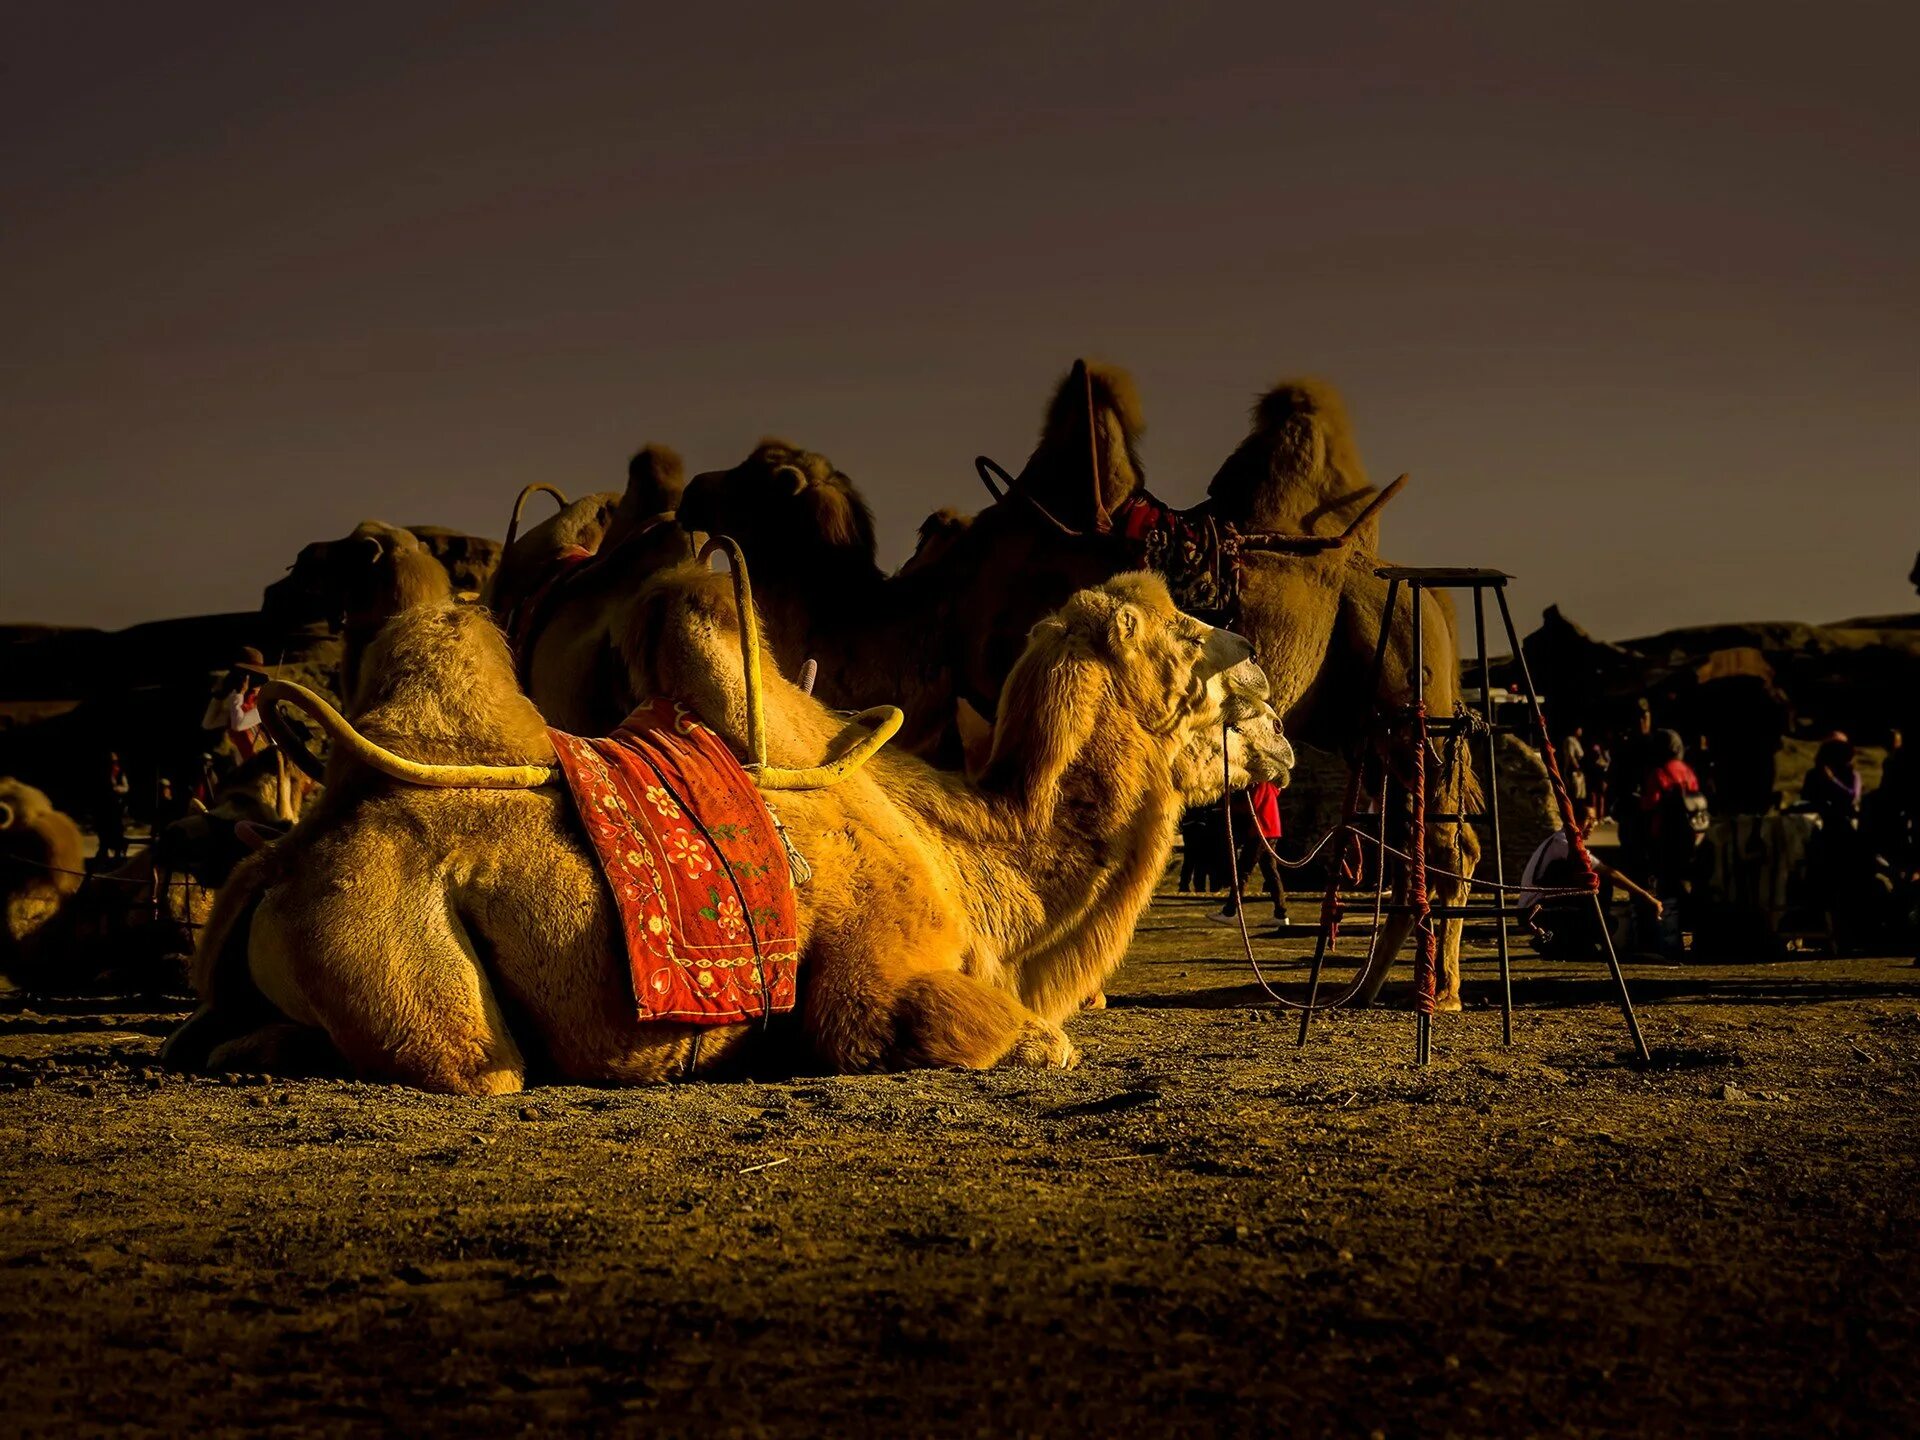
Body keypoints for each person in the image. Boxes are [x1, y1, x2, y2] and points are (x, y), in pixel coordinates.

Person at [1519, 801, 1662, 959]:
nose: (1592, 825)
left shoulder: (1566, 841)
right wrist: (1645, 896)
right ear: (1574, 820)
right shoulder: (1564, 842)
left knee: (1604, 912)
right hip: (1536, 911)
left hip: (1550, 904)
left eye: (1594, 821)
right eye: (1589, 819)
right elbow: (1608, 872)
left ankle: (1587, 940)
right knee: (1601, 889)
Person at [1634, 729, 1707, 958]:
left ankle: (1670, 943)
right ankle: (1696, 939)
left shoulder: (1660, 773)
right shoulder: (1687, 771)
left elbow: (1649, 805)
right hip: (1692, 840)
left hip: (1666, 841)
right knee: (1690, 889)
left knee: (1667, 893)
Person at [1211, 779, 1291, 928]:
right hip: (1271, 831)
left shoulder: (1259, 784)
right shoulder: (1270, 784)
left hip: (1260, 831)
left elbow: (1252, 805)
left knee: (1243, 872)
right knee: (1271, 873)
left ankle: (1230, 912)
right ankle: (1281, 914)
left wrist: (1230, 807)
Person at [95, 751, 131, 864]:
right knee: (104, 832)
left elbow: (125, 787)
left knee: (117, 831)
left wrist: (116, 789)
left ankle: (117, 855)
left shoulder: (120, 773)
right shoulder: (103, 774)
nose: (113, 764)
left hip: (117, 808)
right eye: (111, 762)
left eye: (115, 761)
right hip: (105, 807)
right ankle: (103, 854)